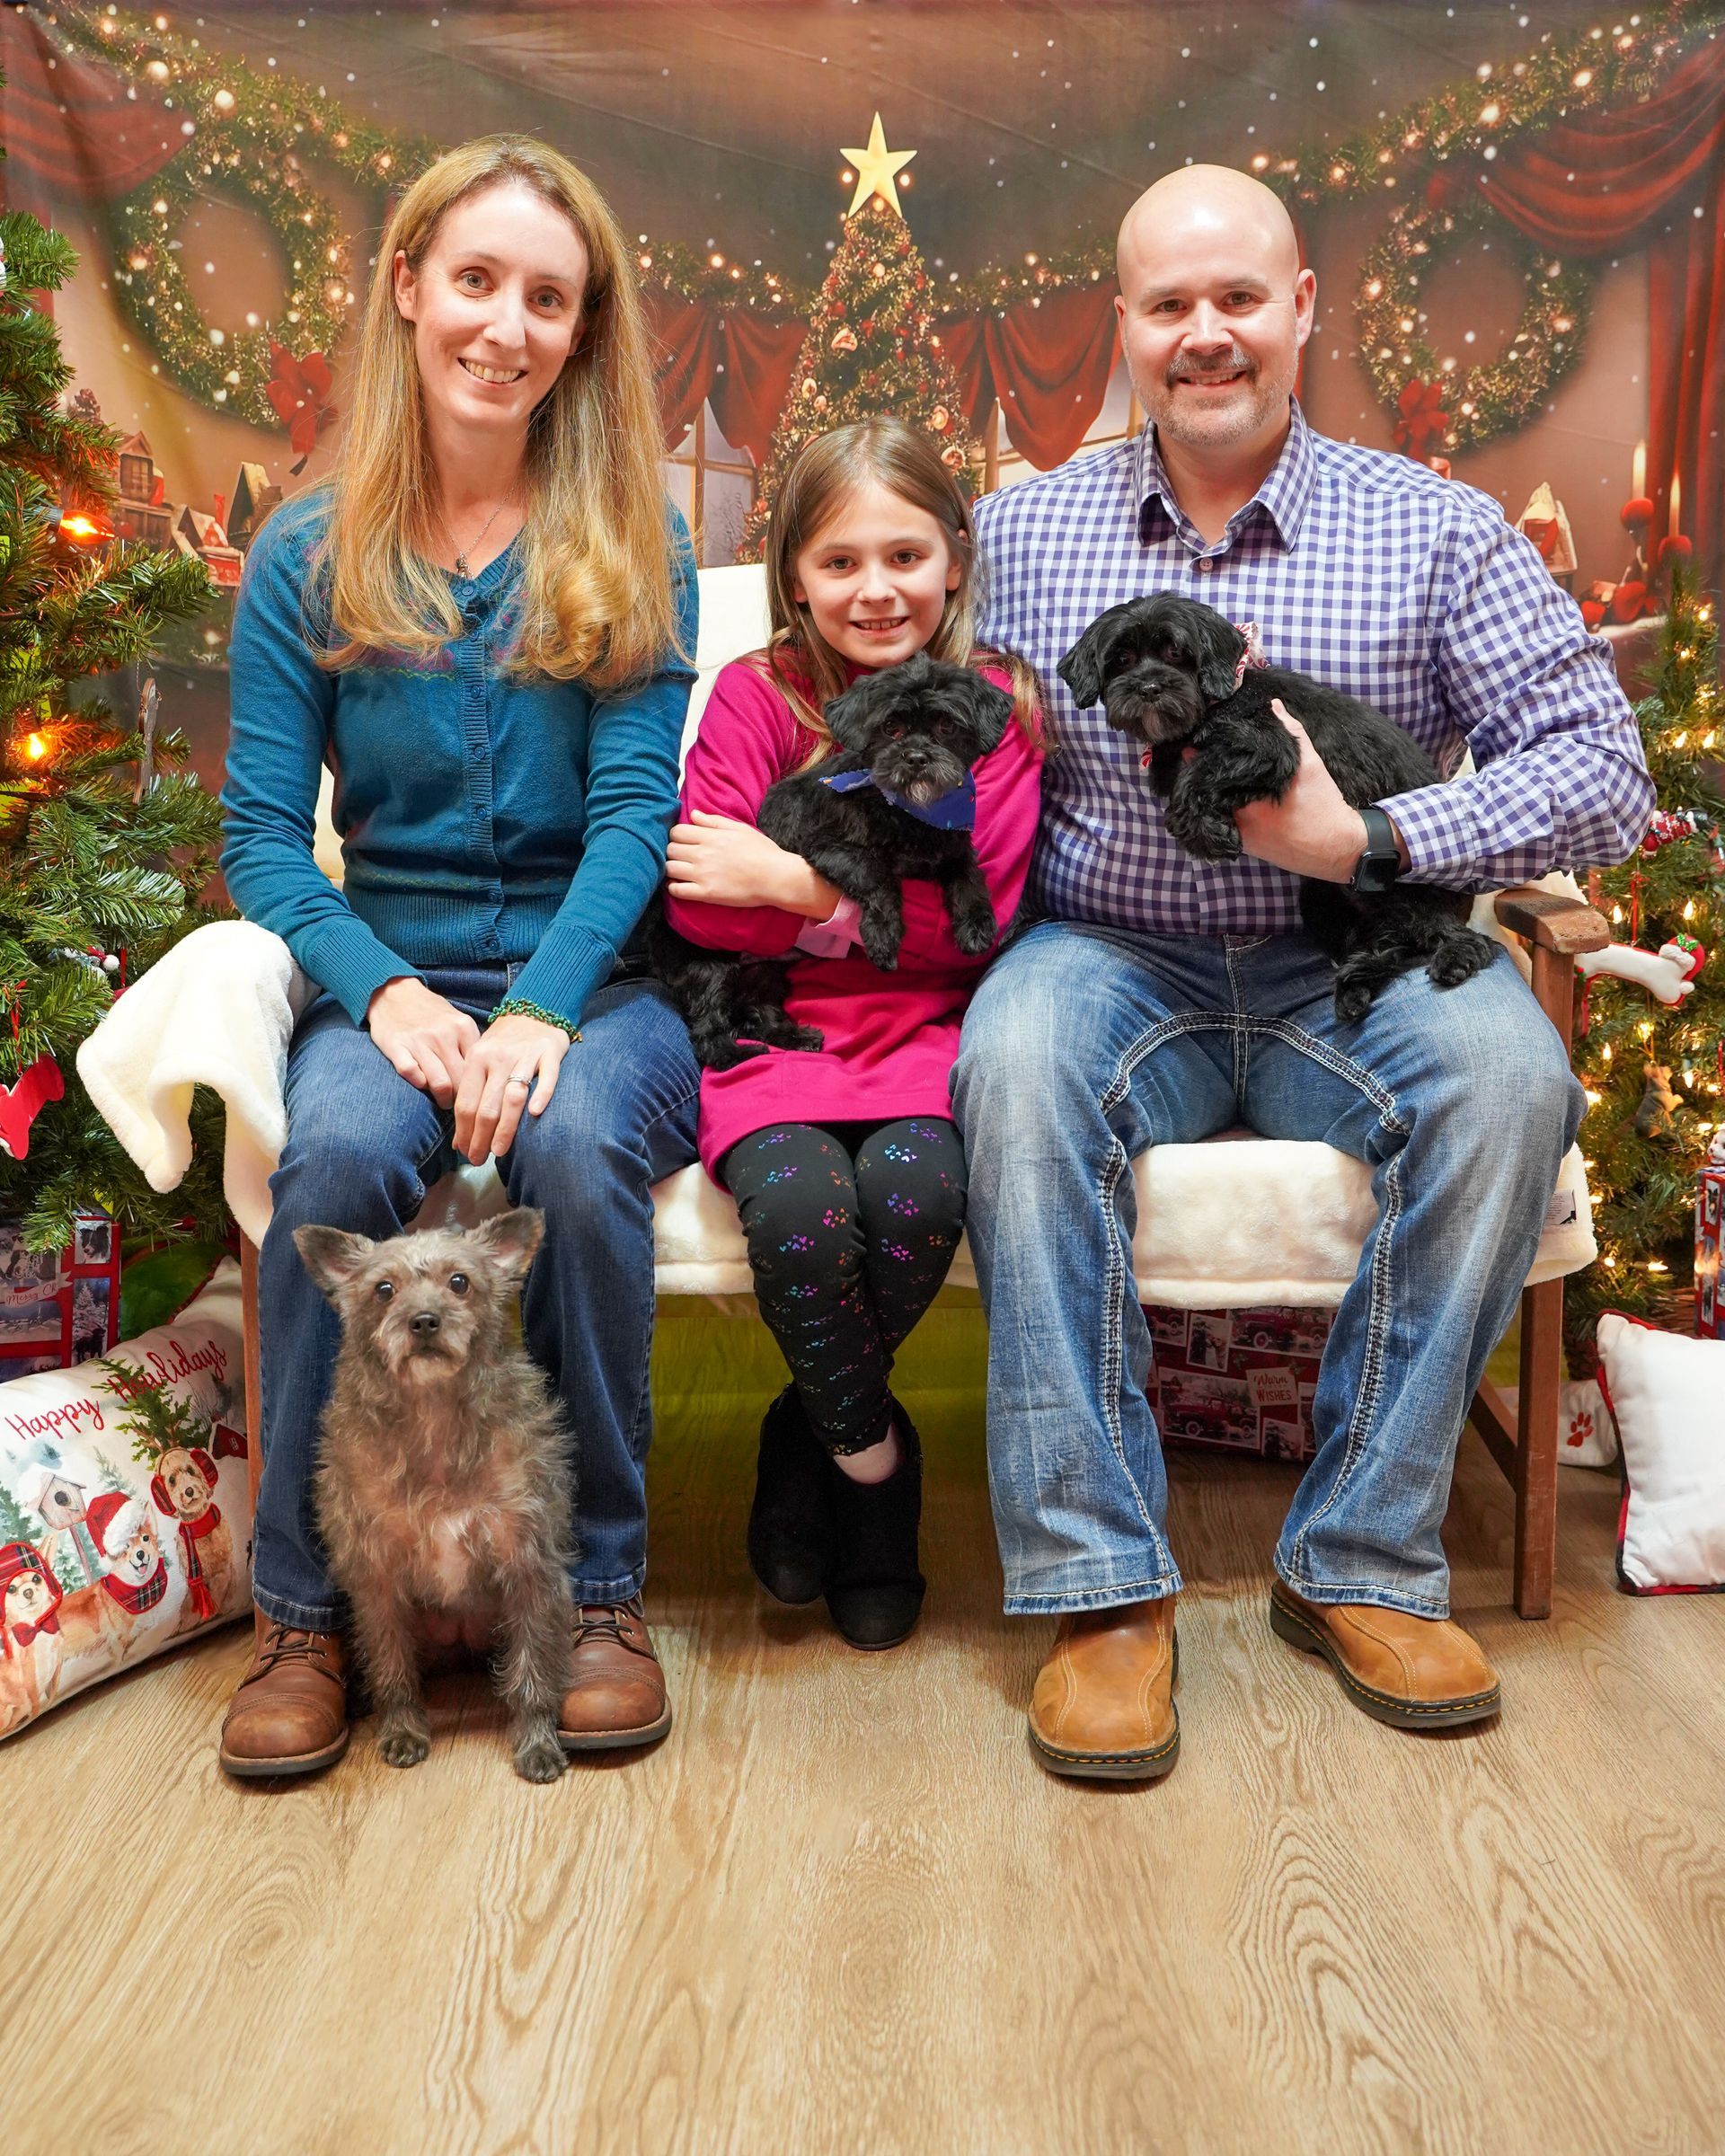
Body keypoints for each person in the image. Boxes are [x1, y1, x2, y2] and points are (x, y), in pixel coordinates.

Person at [954, 164, 1653, 1780]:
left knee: (1512, 1076)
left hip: (1365, 953)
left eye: (1240, 299)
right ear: (1122, 326)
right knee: (1013, 1058)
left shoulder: (1434, 525)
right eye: (1169, 305)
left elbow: (1603, 770)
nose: (1208, 336)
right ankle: (1105, 1587)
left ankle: (1358, 1556)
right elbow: (897, 700)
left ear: (1302, 309)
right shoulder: (1021, 530)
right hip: (1108, 954)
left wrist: (1377, 839)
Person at [218, 136, 700, 1779]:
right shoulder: (303, 557)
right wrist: (394, 994)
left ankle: (603, 1593)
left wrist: (551, 1004)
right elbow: (265, 841)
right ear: (410, 286)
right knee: (343, 1148)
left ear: (582, 330)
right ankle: (304, 1609)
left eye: (548, 297)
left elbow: (637, 820)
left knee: (565, 1151)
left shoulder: (633, 541)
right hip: (392, 973)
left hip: (601, 978)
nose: (507, 324)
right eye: (478, 281)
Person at [664, 419, 1044, 1648]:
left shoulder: (997, 711)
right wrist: (828, 918)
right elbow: (697, 905)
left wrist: (805, 894)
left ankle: (808, 1429)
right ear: (793, 577)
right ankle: (878, 1473)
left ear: (953, 562)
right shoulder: (755, 697)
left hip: (935, 1030)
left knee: (921, 1190)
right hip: (775, 1034)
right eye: (838, 563)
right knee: (801, 1210)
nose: (875, 590)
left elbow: (975, 930)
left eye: (904, 556)